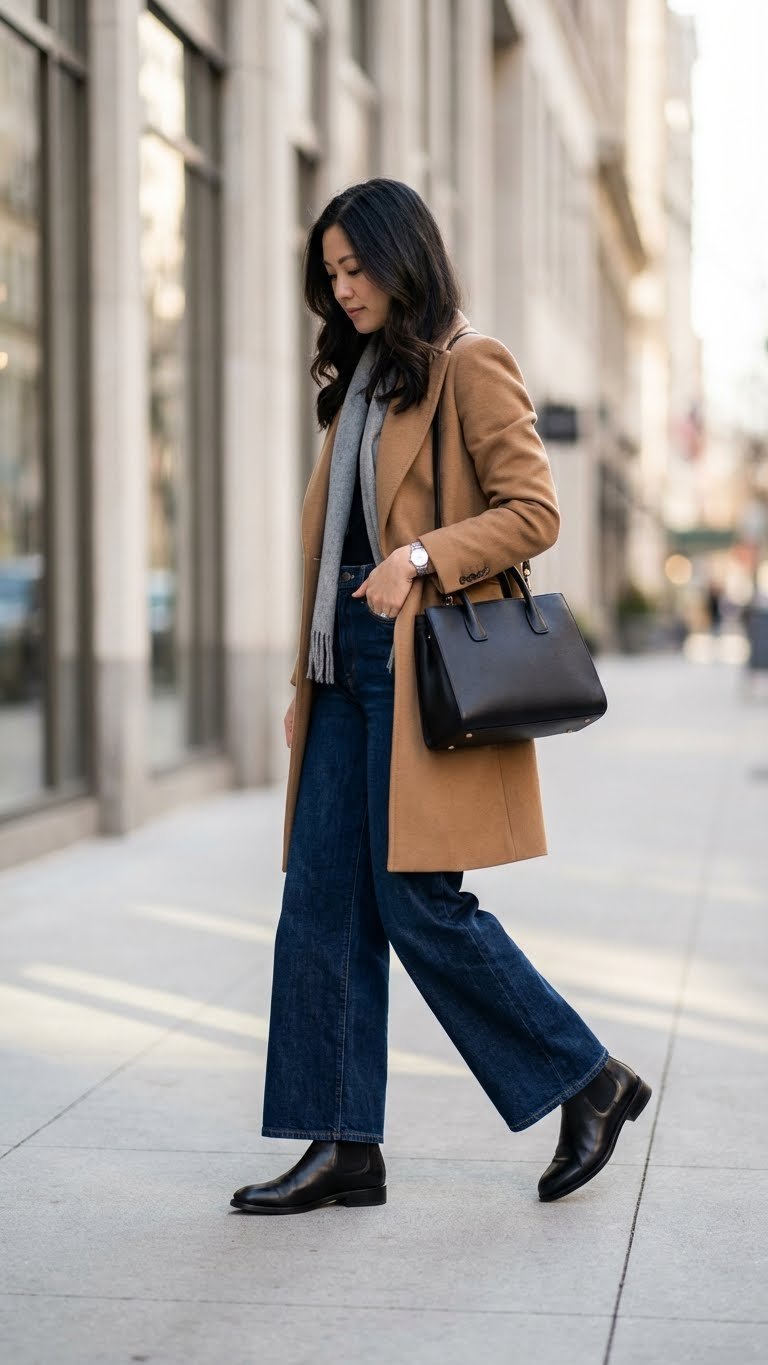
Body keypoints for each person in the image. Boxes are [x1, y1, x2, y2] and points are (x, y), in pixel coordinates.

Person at [231, 179, 650, 1215]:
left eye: (355, 268)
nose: (342, 289)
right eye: (328, 275)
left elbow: (534, 511)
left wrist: (421, 555)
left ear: (401, 259)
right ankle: (343, 1145)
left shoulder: (471, 364)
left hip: (420, 674)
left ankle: (585, 1078)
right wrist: (304, 683)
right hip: (342, 673)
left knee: (418, 902)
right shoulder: (365, 379)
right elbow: (333, 555)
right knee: (321, 903)